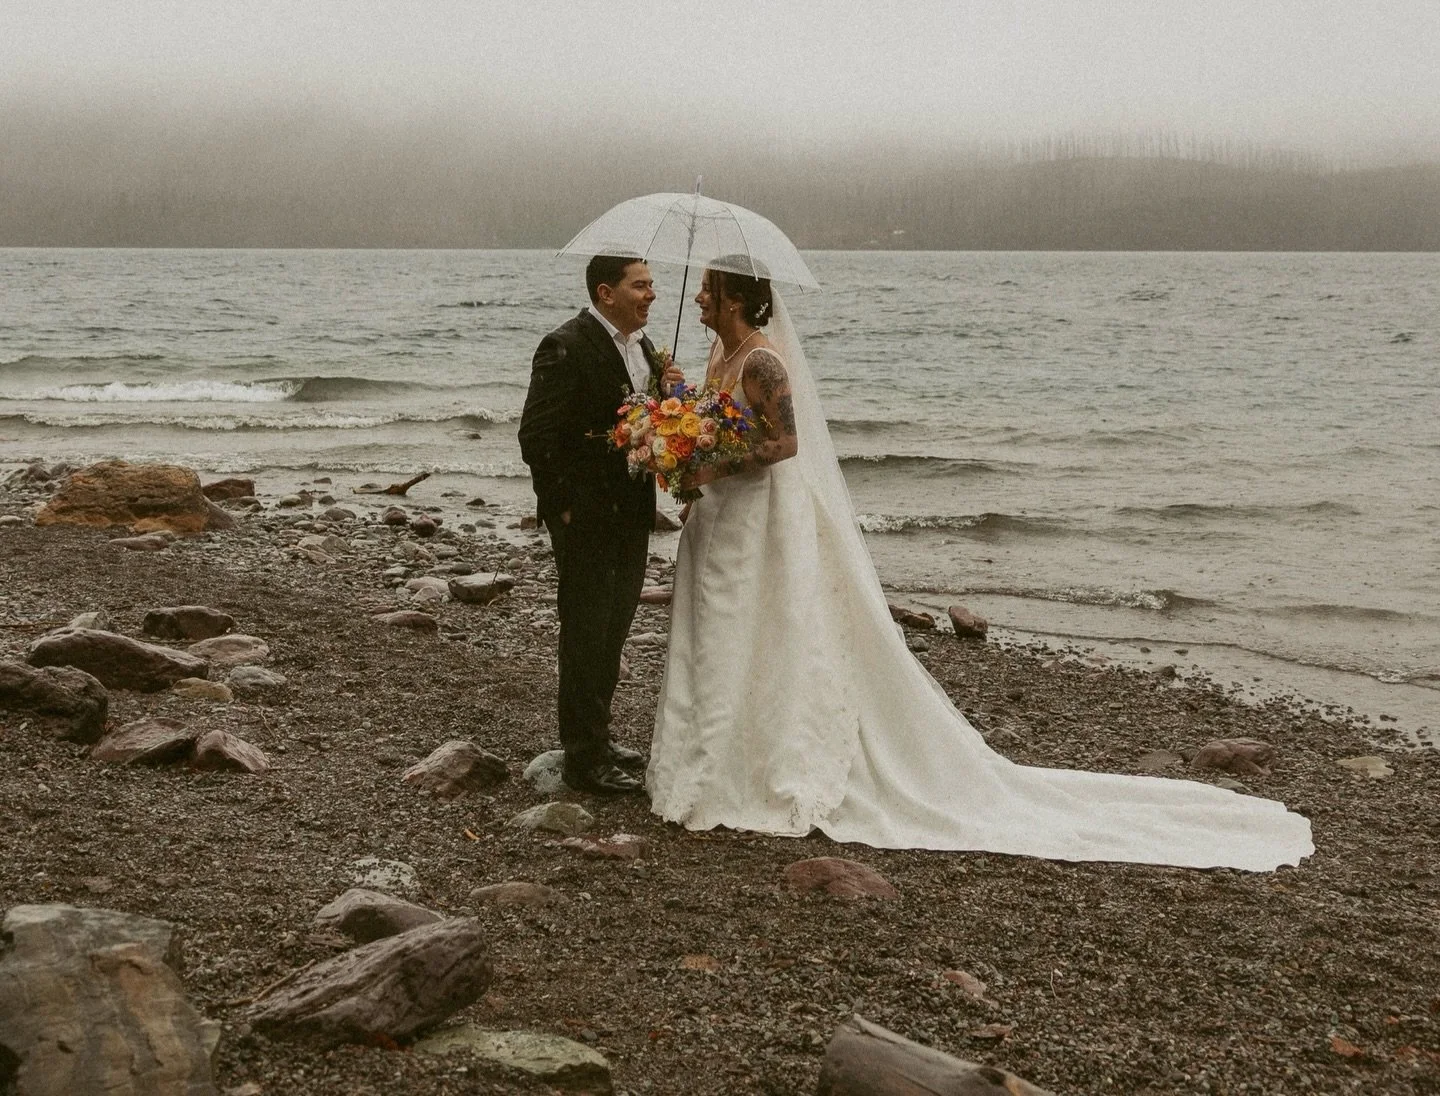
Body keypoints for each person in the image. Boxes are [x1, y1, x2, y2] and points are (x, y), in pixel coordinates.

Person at [647, 264, 1314, 870]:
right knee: (724, 631)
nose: (699, 297)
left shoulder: (764, 362)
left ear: (734, 296)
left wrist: (711, 460)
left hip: (763, 515)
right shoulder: (719, 352)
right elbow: (717, 420)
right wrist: (681, 423)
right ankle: (711, 761)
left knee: (761, 628)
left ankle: (755, 766)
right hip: (725, 513)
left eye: (708, 288)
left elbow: (784, 442)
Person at [519, 255, 680, 796]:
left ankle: (599, 737)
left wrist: (669, 394)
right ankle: (583, 758)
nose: (652, 294)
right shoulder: (565, 345)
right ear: (606, 293)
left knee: (614, 630)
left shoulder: (648, 351)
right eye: (641, 285)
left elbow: (645, 424)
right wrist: (561, 506)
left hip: (632, 514)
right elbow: (536, 436)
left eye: (653, 284)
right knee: (586, 633)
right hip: (584, 517)